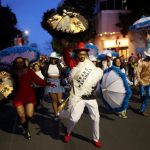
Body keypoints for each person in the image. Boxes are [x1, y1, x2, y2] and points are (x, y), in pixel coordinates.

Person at [60, 42, 103, 148]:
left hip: (90, 96)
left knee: (96, 118)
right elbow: (66, 57)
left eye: (84, 54)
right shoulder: (73, 63)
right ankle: (68, 132)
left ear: (86, 54)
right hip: (78, 96)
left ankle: (95, 139)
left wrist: (95, 84)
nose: (82, 56)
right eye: (80, 54)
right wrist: (65, 46)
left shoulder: (90, 64)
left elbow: (94, 76)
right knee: (74, 118)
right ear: (77, 54)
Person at [11, 57, 48, 139]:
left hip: (28, 94)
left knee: (29, 115)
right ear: (15, 63)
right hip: (18, 96)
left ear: (24, 62)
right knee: (21, 116)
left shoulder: (29, 71)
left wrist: (47, 83)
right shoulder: (12, 73)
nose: (19, 63)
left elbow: (37, 80)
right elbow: (7, 84)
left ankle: (25, 123)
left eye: (21, 62)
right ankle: (26, 130)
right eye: (17, 62)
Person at [41, 52, 66, 120]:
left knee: (59, 100)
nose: (53, 60)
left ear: (57, 59)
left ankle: (59, 111)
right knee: (54, 100)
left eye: (54, 59)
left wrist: (64, 68)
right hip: (50, 82)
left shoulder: (60, 65)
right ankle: (56, 114)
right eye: (52, 58)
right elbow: (43, 73)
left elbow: (64, 73)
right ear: (50, 59)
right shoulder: (46, 65)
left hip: (58, 82)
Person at [136, 49, 150, 117]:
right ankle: (144, 105)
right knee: (142, 94)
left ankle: (142, 109)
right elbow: (138, 71)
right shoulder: (142, 62)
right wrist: (139, 80)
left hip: (149, 82)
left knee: (148, 94)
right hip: (142, 81)